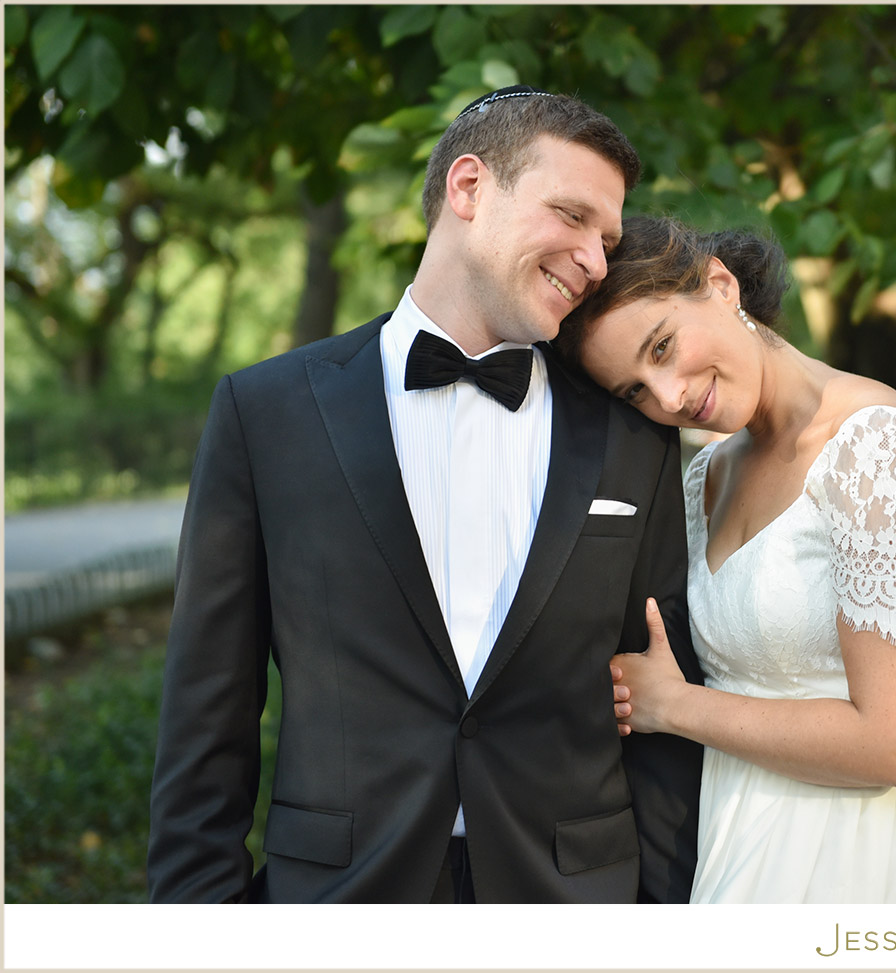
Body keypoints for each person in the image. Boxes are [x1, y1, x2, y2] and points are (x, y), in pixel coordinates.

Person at [147, 88, 703, 904]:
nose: (594, 259)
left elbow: (665, 703)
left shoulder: (634, 436)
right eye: (572, 216)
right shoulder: (264, 413)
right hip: (341, 897)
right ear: (469, 188)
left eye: (608, 239)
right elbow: (207, 711)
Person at [557, 216, 896, 903]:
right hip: (741, 823)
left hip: (870, 843)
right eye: (635, 390)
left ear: (720, 284)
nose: (670, 395)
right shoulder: (705, 472)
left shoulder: (874, 448)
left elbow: (895, 743)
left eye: (664, 345)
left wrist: (676, 705)